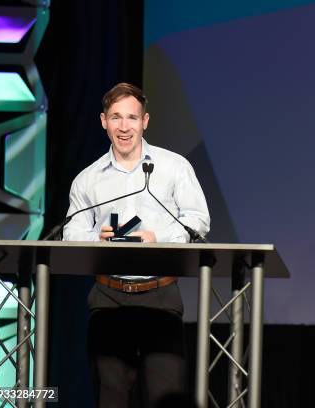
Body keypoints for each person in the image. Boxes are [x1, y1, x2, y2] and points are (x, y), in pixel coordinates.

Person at [63, 82, 210, 408]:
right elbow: (71, 232)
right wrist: (95, 238)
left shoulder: (173, 167)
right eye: (116, 117)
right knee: (110, 399)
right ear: (104, 121)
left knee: (165, 399)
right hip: (108, 299)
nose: (124, 126)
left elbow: (198, 221)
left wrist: (161, 238)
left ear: (145, 121)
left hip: (160, 297)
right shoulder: (88, 178)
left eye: (132, 117)